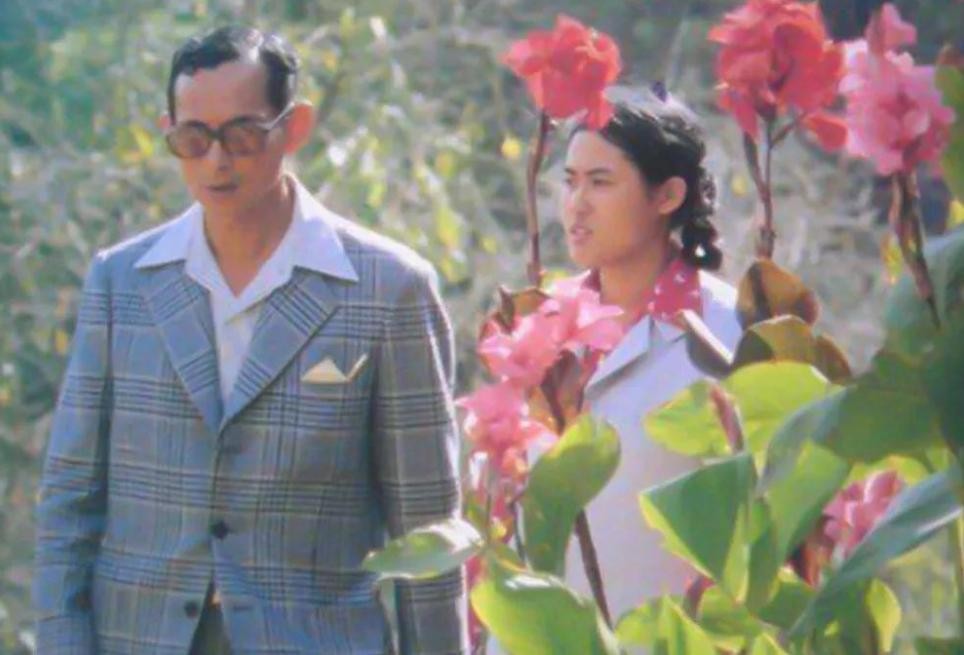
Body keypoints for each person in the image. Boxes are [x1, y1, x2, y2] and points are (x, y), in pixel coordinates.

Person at [33, 26, 467, 654]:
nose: (217, 160)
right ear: (169, 132)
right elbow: (69, 505)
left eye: (242, 135)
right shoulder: (121, 282)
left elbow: (427, 531)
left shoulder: (388, 289)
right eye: (193, 139)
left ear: (295, 127)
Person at [559, 90, 743, 619]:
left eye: (600, 182)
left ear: (667, 196)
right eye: (570, 182)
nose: (577, 204)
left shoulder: (729, 335)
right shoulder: (544, 325)